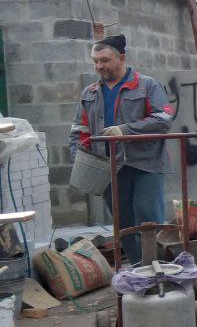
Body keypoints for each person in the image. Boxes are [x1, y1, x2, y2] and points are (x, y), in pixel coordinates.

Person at [69, 34, 174, 263]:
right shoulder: (90, 92)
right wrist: (79, 157)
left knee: (147, 215)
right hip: (110, 167)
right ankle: (140, 270)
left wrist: (125, 130)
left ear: (121, 58)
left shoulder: (146, 85)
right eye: (95, 61)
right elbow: (80, 129)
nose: (99, 66)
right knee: (122, 221)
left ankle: (159, 267)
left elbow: (163, 119)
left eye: (104, 60)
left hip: (145, 162)